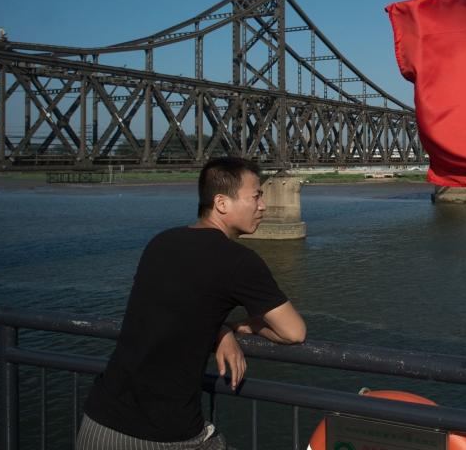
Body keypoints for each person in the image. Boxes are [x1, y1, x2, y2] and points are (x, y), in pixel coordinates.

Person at [77, 157, 306, 449]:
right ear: (221, 203)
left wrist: (220, 330)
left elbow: (179, 308)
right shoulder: (239, 261)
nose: (263, 205)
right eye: (256, 196)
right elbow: (294, 332)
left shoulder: (160, 243)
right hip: (164, 435)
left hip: (99, 423)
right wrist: (241, 327)